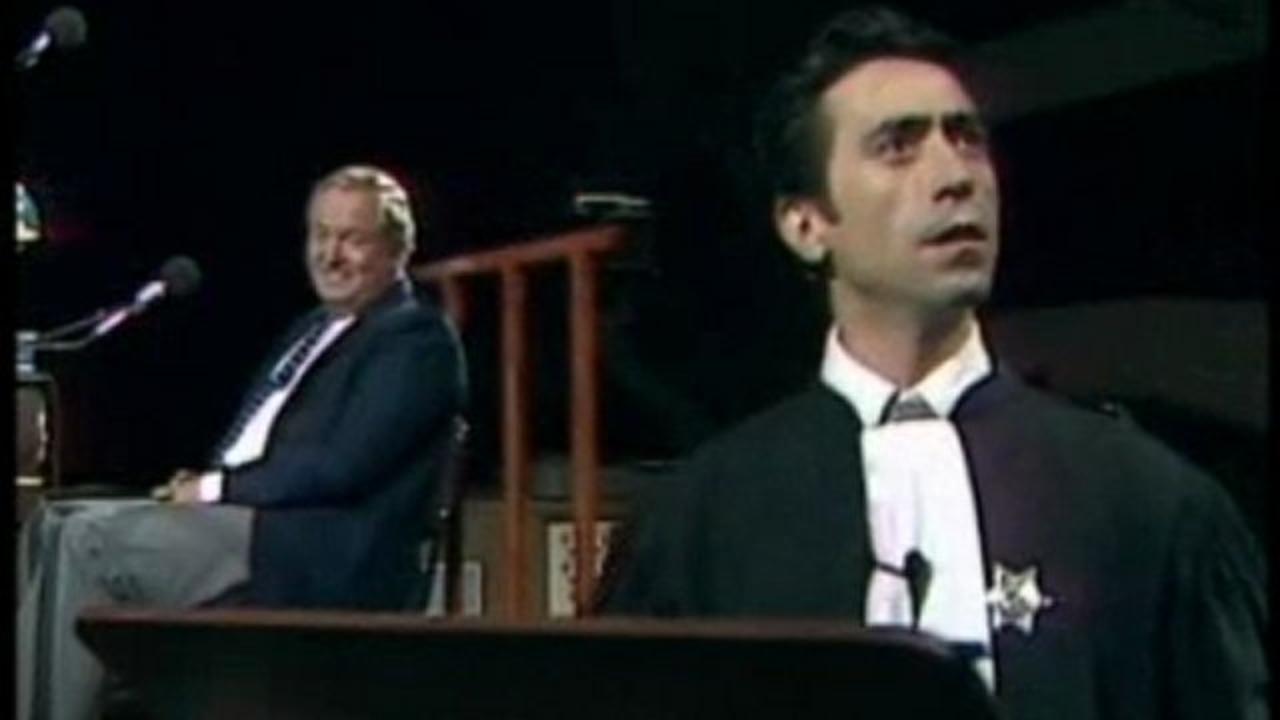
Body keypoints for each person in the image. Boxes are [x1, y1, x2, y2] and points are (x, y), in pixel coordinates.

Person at [593, 7, 1266, 719]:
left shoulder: (1146, 501)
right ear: (806, 224)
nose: (955, 176)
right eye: (898, 146)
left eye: (966, 139)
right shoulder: (702, 519)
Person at [17, 164, 468, 720]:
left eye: (352, 238)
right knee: (52, 521)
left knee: (86, 540)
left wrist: (216, 489)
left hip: (311, 552)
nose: (330, 255)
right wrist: (207, 487)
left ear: (397, 249)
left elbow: (340, 467)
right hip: (245, 523)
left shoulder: (415, 339)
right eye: (321, 235)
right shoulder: (310, 329)